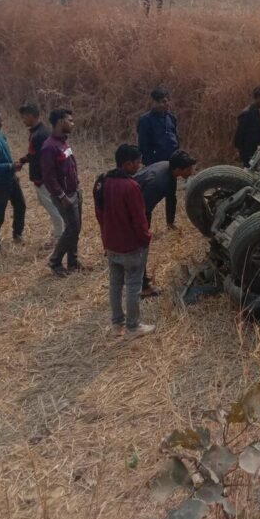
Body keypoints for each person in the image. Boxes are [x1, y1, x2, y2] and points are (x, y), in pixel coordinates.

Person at [93, 144, 154, 338]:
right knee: (134, 286)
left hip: (111, 244)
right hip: (131, 246)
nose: (139, 166)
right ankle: (133, 327)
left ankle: (117, 324)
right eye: (137, 163)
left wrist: (105, 237)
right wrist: (146, 237)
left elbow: (99, 213)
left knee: (115, 285)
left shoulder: (102, 181)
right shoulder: (131, 186)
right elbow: (139, 219)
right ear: (128, 164)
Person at [135, 149, 197, 296]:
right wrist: (143, 229)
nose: (191, 171)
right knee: (140, 247)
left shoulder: (168, 169)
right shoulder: (158, 183)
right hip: (135, 207)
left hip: (140, 205)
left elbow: (171, 198)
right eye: (189, 168)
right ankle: (142, 286)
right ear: (179, 169)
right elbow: (141, 209)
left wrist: (170, 222)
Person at [41, 108, 83, 276]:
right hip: (64, 196)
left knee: (76, 228)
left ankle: (73, 262)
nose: (73, 123)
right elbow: (49, 177)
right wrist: (62, 196)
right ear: (60, 122)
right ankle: (55, 262)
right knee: (72, 228)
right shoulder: (49, 147)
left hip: (74, 191)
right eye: (69, 120)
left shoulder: (63, 142)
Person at [18, 102, 64, 245]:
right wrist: (23, 160)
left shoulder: (40, 134)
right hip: (41, 179)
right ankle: (59, 233)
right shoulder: (37, 132)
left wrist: (44, 179)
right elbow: (34, 154)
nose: (23, 120)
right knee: (48, 205)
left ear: (32, 116)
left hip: (44, 180)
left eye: (24, 117)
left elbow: (44, 159)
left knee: (53, 208)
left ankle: (60, 237)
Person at [137, 89, 180, 223]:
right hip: (155, 163)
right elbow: (143, 144)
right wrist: (149, 163)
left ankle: (170, 222)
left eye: (166, 101)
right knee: (150, 196)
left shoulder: (171, 118)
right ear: (154, 102)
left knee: (171, 194)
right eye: (162, 102)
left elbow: (175, 137)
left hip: (171, 161)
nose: (165, 104)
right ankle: (145, 225)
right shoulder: (145, 120)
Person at [0, 109, 26, 252]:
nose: (1, 122)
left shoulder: (1, 136)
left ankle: (17, 234)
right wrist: (9, 166)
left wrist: (13, 167)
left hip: (11, 178)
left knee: (20, 205)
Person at [234, 85, 260, 165]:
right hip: (248, 150)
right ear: (259, 97)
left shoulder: (258, 110)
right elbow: (239, 133)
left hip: (255, 149)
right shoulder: (248, 113)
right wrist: (239, 151)